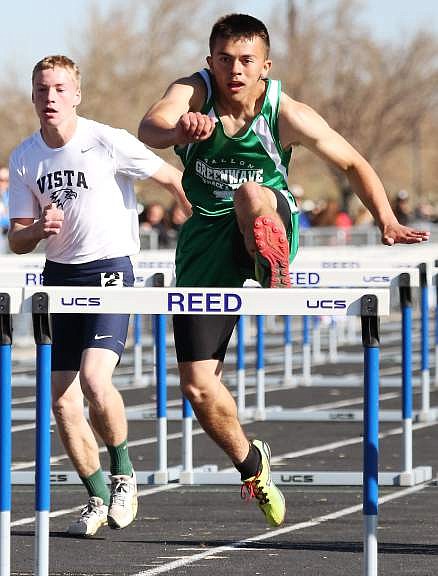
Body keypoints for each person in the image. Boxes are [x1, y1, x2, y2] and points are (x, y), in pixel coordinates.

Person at [138, 14, 429, 528]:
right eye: (225, 60)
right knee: (198, 387)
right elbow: (150, 126)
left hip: (267, 217)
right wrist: (178, 128)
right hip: (206, 235)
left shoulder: (285, 112)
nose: (235, 70)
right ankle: (252, 464)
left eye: (246, 61)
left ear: (265, 66)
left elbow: (352, 161)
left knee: (250, 193)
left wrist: (386, 220)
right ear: (210, 62)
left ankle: (270, 263)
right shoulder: (192, 92)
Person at [8, 55, 191, 537]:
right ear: (33, 95)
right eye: (43, 89)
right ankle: (96, 494)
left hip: (111, 270)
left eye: (61, 88)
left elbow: (169, 176)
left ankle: (124, 474)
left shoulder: (105, 140)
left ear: (76, 95)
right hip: (59, 275)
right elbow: (16, 238)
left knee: (94, 379)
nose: (51, 97)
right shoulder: (25, 157)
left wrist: (197, 218)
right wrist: (36, 232)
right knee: (62, 401)